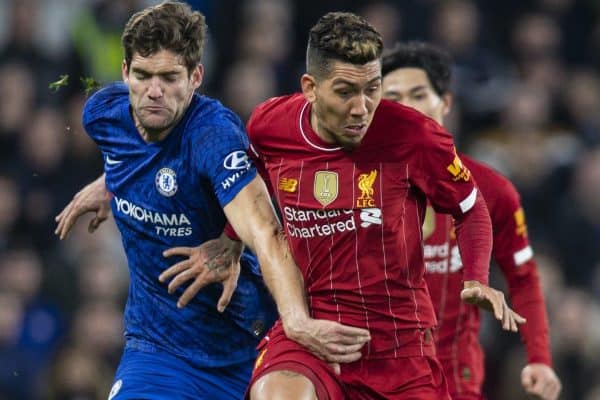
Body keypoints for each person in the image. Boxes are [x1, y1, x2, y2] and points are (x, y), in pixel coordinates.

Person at [54, 2, 369, 399]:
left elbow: (265, 230)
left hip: (243, 347)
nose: (154, 92)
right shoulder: (102, 115)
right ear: (124, 74)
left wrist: (296, 322)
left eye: (170, 77)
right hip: (157, 350)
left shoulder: (212, 137)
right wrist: (112, 182)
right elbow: (140, 154)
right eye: (143, 76)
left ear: (195, 77)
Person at [235, 12, 524, 400]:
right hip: (310, 332)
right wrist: (227, 240)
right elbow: (246, 189)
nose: (361, 108)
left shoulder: (414, 136)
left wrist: (476, 277)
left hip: (397, 347)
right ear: (310, 87)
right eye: (345, 92)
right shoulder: (270, 126)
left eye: (372, 89)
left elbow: (470, 208)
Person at [381, 41, 562, 400]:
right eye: (393, 98)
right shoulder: (352, 186)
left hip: (453, 380)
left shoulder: (493, 191)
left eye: (418, 94)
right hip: (374, 378)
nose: (407, 108)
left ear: (446, 103)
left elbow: (523, 277)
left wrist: (539, 358)